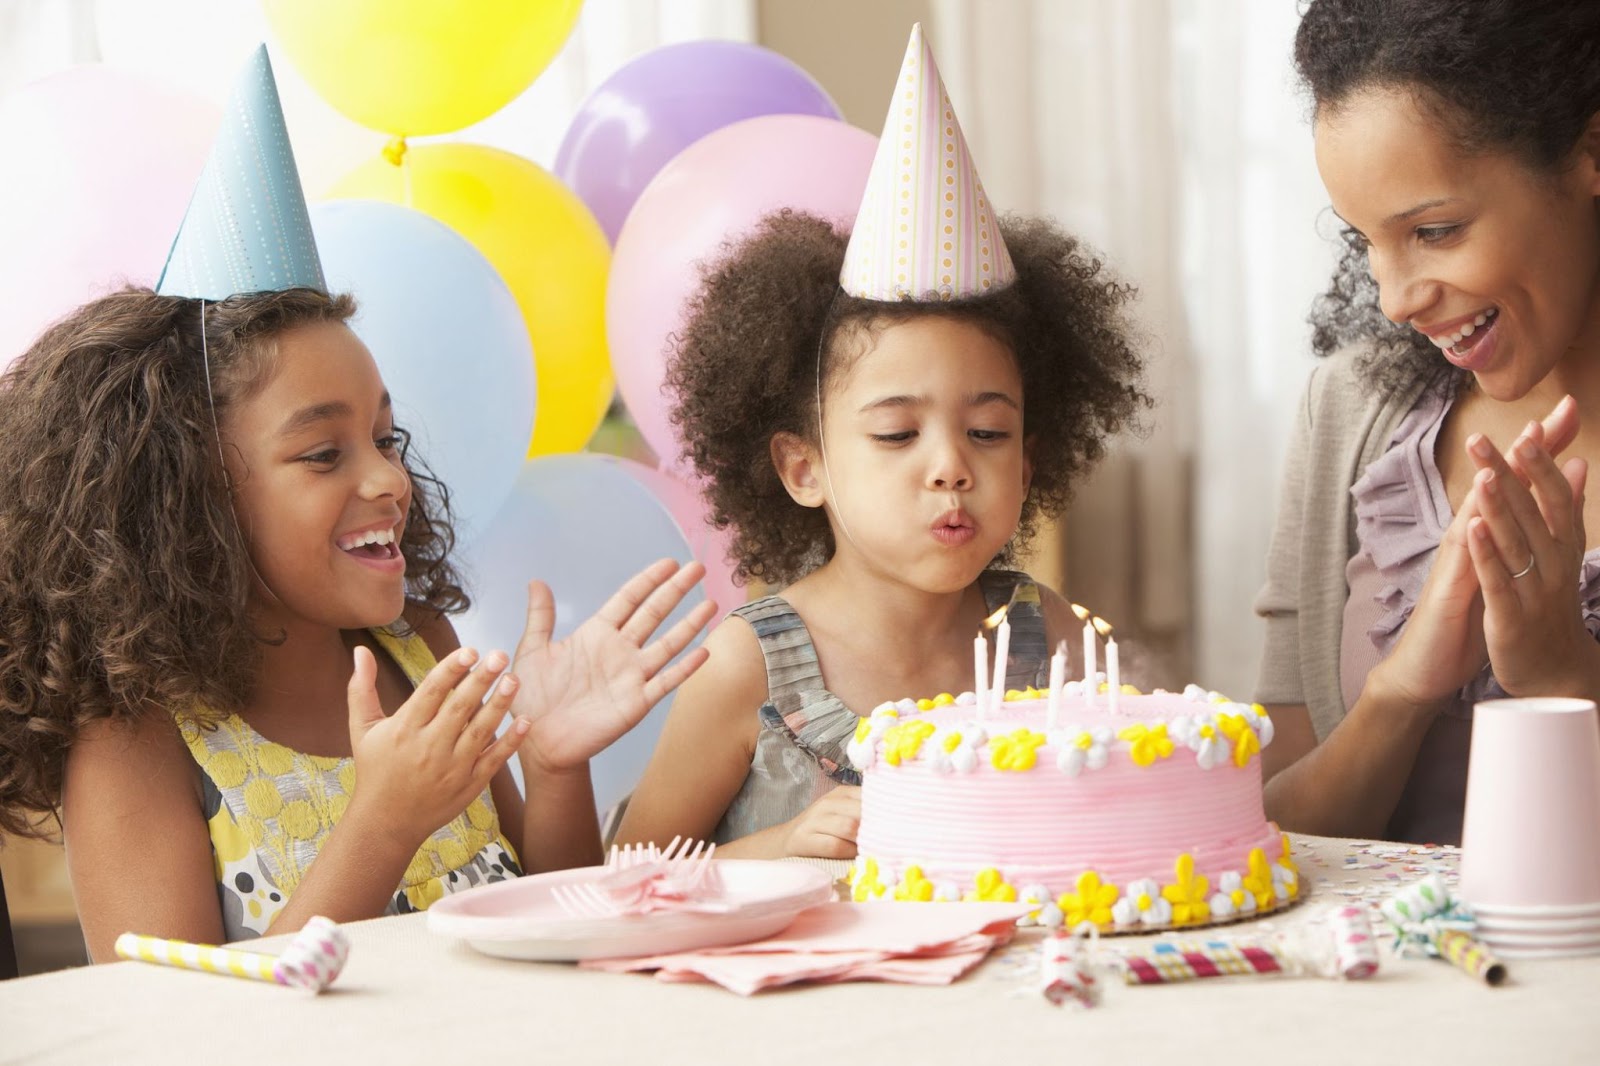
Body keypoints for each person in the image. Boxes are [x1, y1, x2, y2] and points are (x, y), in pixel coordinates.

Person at [0, 49, 713, 961]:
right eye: (323, 452)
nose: (387, 479)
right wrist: (383, 825)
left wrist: (555, 765)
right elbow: (174, 1037)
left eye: (385, 438)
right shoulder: (138, 743)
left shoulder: (421, 653)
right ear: (191, 500)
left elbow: (551, 939)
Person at [615, 25, 1149, 859]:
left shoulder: (1055, 643)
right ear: (804, 468)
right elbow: (634, 873)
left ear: (1029, 460)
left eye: (988, 432)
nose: (950, 469)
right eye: (898, 433)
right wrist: (782, 845)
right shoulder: (747, 668)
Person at [1257, 0, 1600, 844]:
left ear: (1590, 151)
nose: (1395, 298)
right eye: (1367, 240)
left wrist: (1566, 675)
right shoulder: (1348, 412)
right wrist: (1400, 693)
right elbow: (1277, 838)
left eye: (1436, 231)